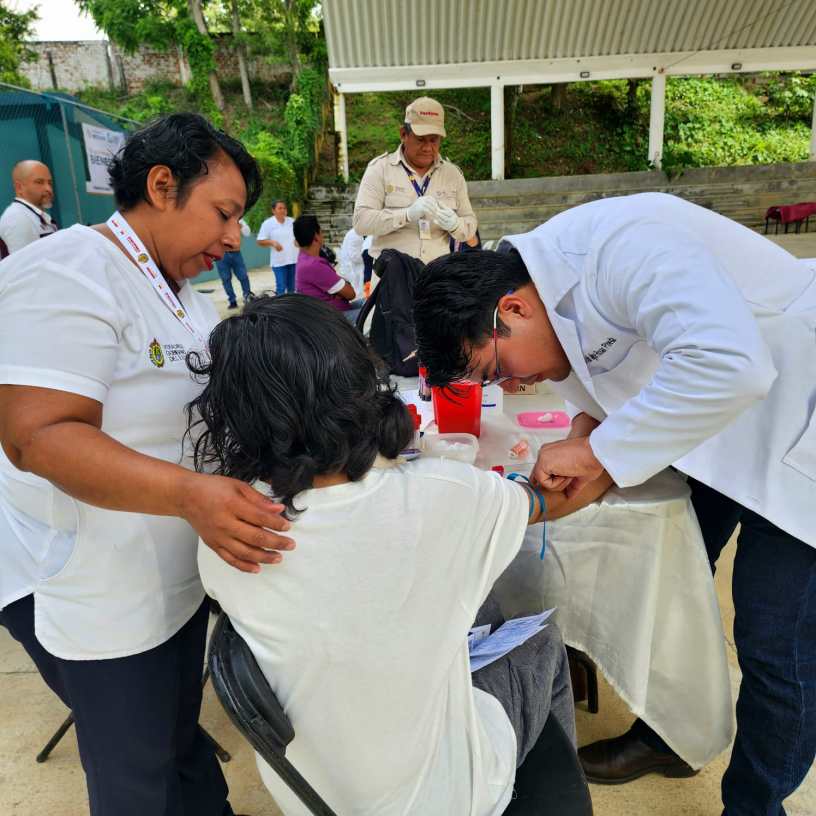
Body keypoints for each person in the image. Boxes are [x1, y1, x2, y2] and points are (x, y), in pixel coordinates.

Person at [411, 192, 816, 816]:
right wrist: (588, 434)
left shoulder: (624, 248)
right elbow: (612, 373)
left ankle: (754, 806)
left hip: (795, 419)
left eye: (495, 372)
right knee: (672, 580)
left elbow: (731, 365)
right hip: (710, 433)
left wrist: (600, 452)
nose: (513, 386)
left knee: (775, 641)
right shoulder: (543, 293)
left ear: (511, 309)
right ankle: (674, 732)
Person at [188, 293, 613, 814]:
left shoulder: (226, 530)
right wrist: (604, 447)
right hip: (447, 796)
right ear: (357, 380)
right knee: (542, 642)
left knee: (472, 610)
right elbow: (559, 498)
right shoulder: (442, 495)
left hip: (314, 794)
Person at [0, 113, 294, 816]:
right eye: (224, 213)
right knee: (137, 771)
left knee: (178, 741)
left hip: (167, 573)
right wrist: (193, 494)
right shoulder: (69, 269)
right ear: (162, 186)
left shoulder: (182, 293)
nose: (235, 236)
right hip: (92, 584)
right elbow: (38, 436)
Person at [352, 96, 477, 265]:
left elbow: (470, 226)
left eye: (434, 140)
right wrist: (406, 215)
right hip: (393, 274)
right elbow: (361, 222)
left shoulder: (452, 174)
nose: (427, 147)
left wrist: (456, 225)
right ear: (403, 134)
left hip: (436, 274)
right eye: (420, 139)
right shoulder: (380, 169)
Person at [294, 214, 363, 323]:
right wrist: (340, 290)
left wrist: (337, 293)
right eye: (321, 231)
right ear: (316, 237)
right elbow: (351, 294)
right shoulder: (313, 265)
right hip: (331, 320)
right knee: (376, 314)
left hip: (335, 310)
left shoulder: (304, 257)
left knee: (372, 302)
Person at [0, 160, 58, 257]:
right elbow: (25, 264)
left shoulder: (36, 215)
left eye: (49, 183)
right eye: (39, 182)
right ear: (19, 187)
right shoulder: (17, 218)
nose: (48, 189)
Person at [257, 199, 298, 295]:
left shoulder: (292, 222)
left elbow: (299, 236)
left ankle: (291, 304)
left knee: (292, 287)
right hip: (279, 262)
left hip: (293, 260)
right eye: (280, 208)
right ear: (273, 210)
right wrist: (272, 242)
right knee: (281, 287)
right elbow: (259, 241)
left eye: (284, 208)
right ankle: (280, 305)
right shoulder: (267, 223)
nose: (283, 210)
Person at [216, 217, 254, 309]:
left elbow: (247, 233)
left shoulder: (238, 218)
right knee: (225, 279)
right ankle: (232, 301)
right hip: (221, 254)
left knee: (243, 276)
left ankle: (247, 297)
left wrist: (241, 225)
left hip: (236, 253)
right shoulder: (215, 218)